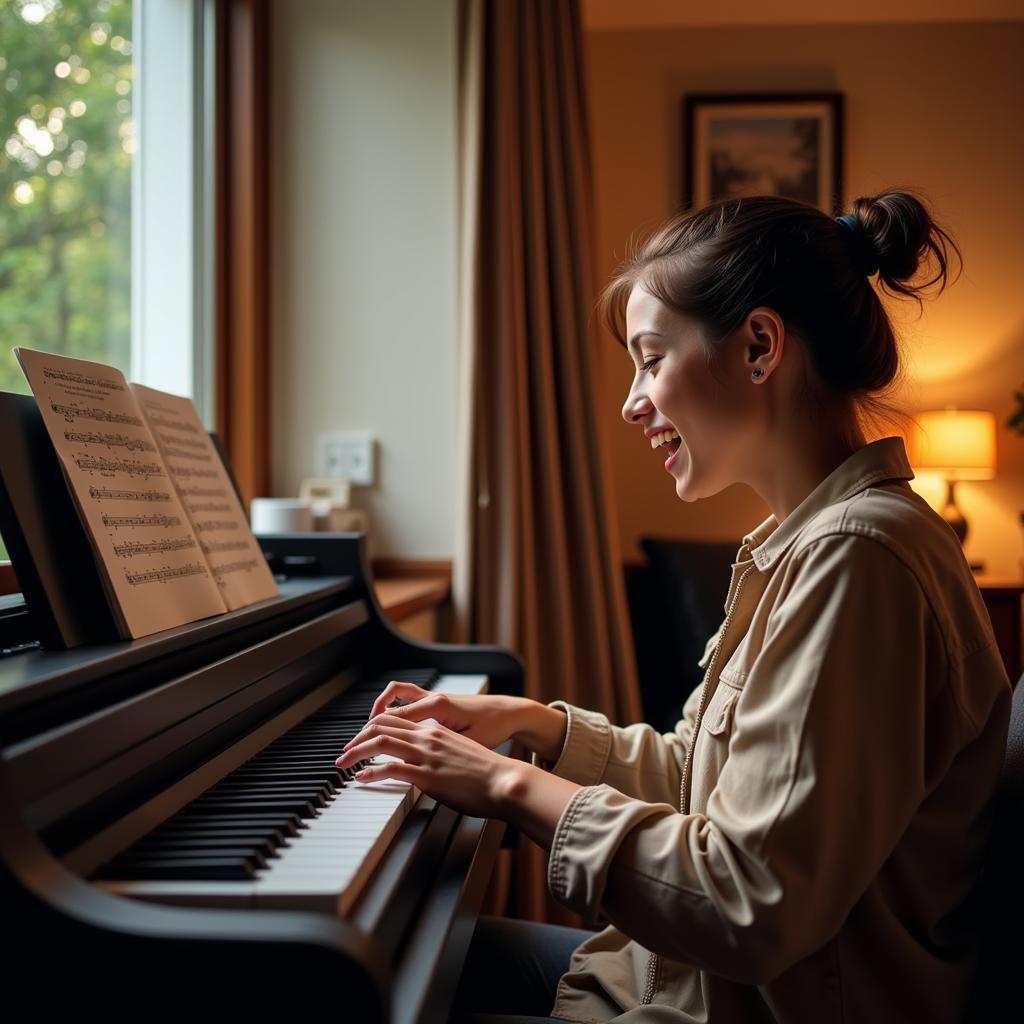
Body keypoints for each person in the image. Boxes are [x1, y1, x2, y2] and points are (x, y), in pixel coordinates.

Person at [334, 188, 1012, 1023]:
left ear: (760, 346)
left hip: (733, 1005)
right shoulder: (804, 542)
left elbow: (748, 902)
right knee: (365, 966)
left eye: (651, 358)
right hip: (663, 981)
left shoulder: (857, 557)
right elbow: (706, 779)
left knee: (347, 986)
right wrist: (534, 726)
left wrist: (507, 787)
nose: (631, 400)